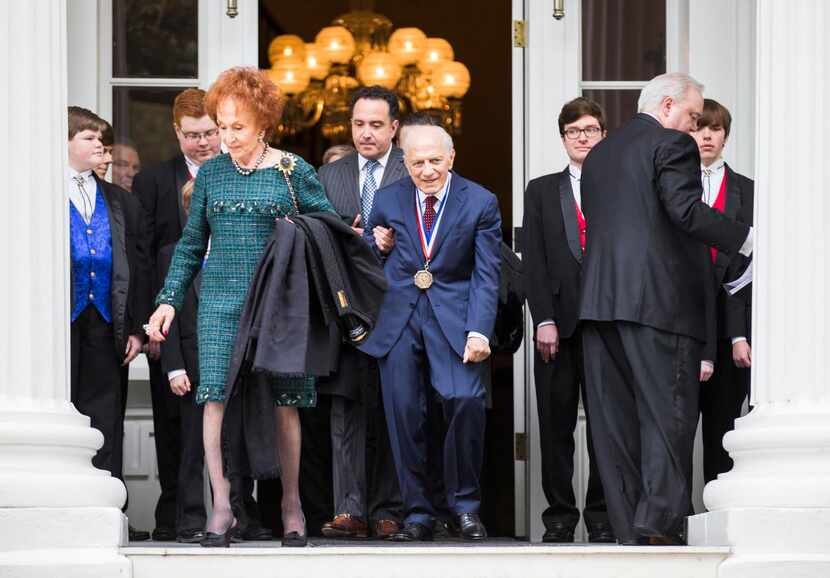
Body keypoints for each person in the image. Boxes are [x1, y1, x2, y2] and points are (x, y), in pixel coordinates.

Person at [144, 67, 335, 548]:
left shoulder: (294, 171)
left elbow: (327, 229)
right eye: (221, 126)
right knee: (214, 399)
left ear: (264, 123)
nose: (225, 137)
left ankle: (291, 505)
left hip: (280, 304)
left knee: (286, 401)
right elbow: (190, 246)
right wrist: (167, 301)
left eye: (237, 128)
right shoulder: (210, 175)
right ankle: (223, 507)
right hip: (221, 300)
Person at [579, 72, 753, 545]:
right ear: (669, 105)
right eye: (693, 116)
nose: (695, 129)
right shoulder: (672, 145)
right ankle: (658, 525)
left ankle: (627, 527)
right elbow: (685, 211)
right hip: (658, 301)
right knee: (667, 415)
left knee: (612, 423)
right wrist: (747, 239)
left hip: (598, 304)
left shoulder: (599, 154)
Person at [359, 124, 502, 542]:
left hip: (456, 319)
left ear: (451, 158)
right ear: (405, 163)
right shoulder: (386, 199)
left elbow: (487, 274)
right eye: (417, 162)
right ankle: (418, 512)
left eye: (435, 161)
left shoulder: (480, 201)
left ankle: (465, 507)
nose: (426, 171)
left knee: (465, 400)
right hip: (399, 319)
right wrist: (376, 245)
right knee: (404, 414)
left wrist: (479, 331)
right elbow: (368, 260)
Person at [316, 85, 406, 540]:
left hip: (399, 308)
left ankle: (390, 508)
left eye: (375, 125)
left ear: (394, 127)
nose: (365, 133)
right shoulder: (327, 176)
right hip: (345, 310)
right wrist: (347, 239)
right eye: (358, 124)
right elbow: (312, 238)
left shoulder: (415, 169)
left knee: (395, 406)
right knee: (346, 409)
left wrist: (395, 241)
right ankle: (348, 507)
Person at [522, 97, 614, 543]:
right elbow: (534, 263)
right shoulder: (540, 190)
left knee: (606, 425)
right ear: (563, 139)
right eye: (574, 131)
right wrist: (543, 320)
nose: (582, 137)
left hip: (607, 324)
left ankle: (601, 516)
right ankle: (559, 517)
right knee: (555, 426)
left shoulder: (621, 186)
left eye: (591, 130)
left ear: (603, 136)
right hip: (557, 325)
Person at [67, 106, 150, 509]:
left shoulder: (119, 201)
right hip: (58, 324)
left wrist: (135, 326)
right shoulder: (39, 193)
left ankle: (103, 504)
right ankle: (60, 503)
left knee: (104, 415)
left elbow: (137, 265)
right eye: (88, 137)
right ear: (63, 143)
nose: (99, 144)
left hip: (105, 320)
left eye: (101, 138)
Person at [691, 99, 754, 483]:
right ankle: (675, 519)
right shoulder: (671, 185)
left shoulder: (748, 190)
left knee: (723, 427)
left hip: (731, 323)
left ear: (725, 136)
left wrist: (739, 332)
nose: (708, 135)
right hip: (684, 320)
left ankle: (717, 513)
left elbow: (752, 262)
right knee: (677, 430)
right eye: (701, 128)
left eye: (715, 129)